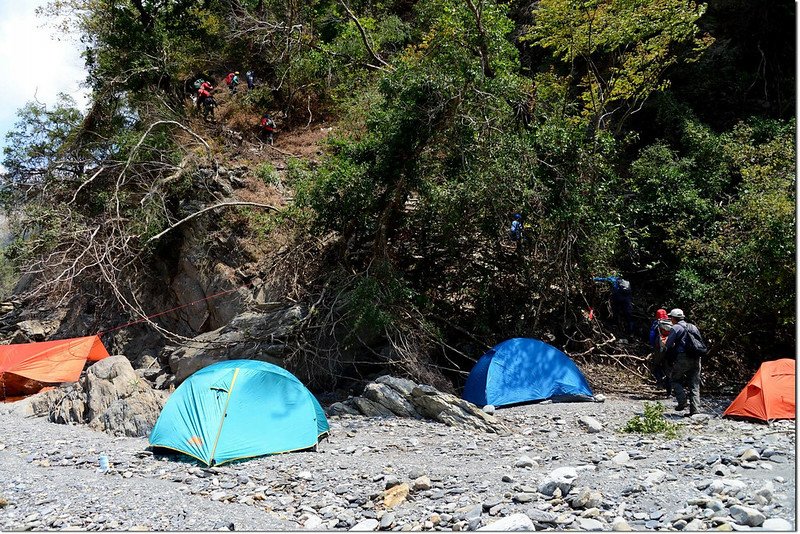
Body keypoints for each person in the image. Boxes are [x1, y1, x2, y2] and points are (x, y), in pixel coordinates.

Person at [664, 308, 703, 415]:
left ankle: (682, 402)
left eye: (670, 317)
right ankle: (695, 411)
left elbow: (668, 345)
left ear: (673, 318)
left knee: (675, 380)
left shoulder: (676, 328)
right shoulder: (693, 326)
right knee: (694, 385)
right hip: (696, 357)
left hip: (682, 357)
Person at [648, 308, 672, 396]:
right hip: (670, 349)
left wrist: (653, 345)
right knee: (668, 369)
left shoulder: (657, 323)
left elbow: (652, 336)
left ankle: (659, 382)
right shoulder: (671, 322)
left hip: (659, 348)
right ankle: (669, 391)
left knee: (655, 365)